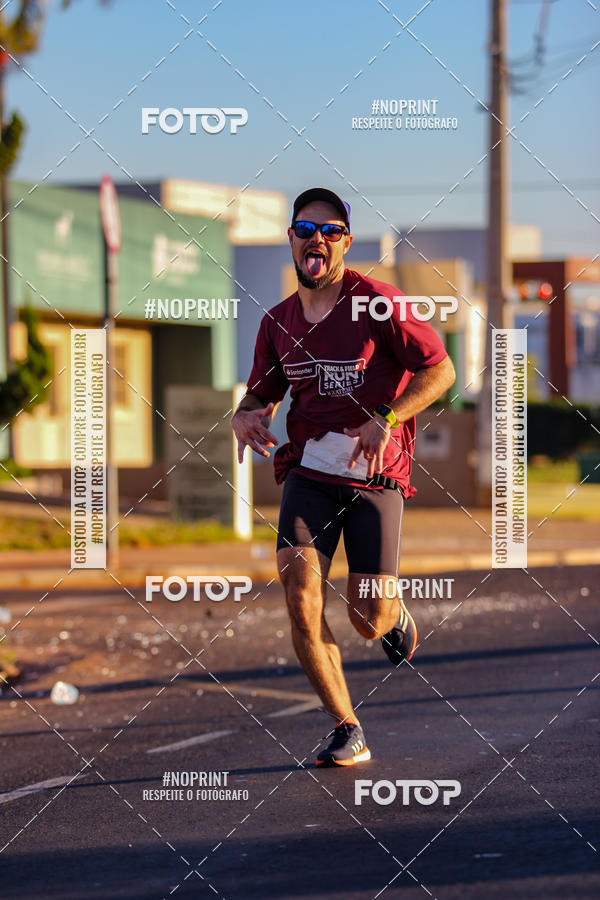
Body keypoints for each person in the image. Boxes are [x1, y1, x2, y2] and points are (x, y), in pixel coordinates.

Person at [231, 187, 455, 767]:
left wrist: (388, 417)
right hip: (308, 474)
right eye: (307, 229)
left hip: (375, 476)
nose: (318, 240)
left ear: (346, 243)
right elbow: (264, 389)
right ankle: (345, 725)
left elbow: (441, 369)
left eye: (331, 231)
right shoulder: (277, 323)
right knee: (299, 595)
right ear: (292, 238)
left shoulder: (378, 303)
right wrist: (246, 412)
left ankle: (392, 614)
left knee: (366, 619)